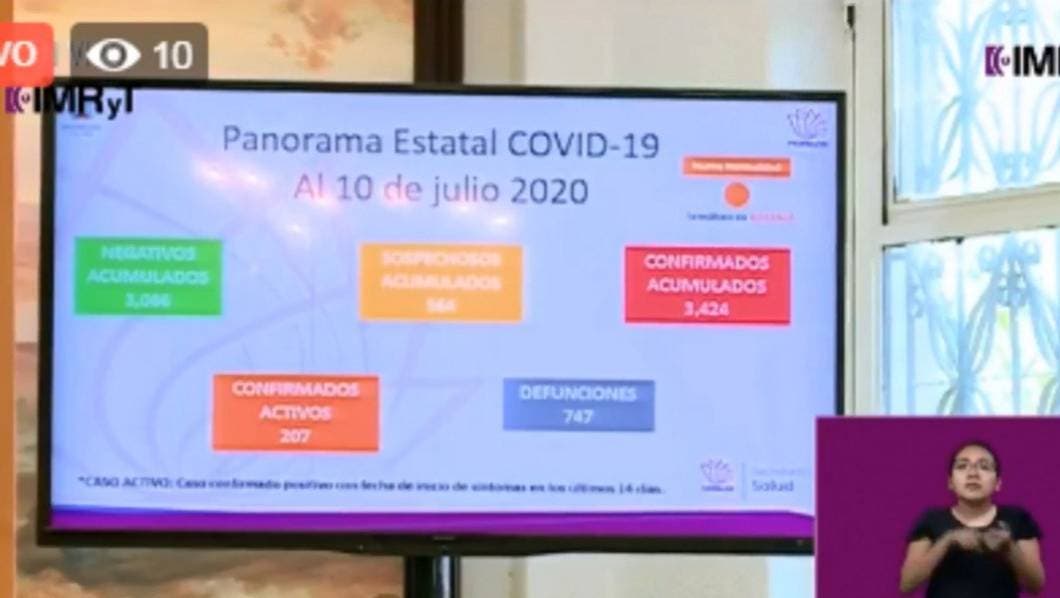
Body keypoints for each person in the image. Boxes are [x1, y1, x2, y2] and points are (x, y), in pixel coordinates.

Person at [899, 440, 1045, 597]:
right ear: (950, 482)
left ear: (998, 483)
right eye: (962, 466)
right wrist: (947, 541)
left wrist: (1009, 547)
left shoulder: (1017, 518)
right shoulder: (931, 519)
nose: (973, 474)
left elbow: (1036, 585)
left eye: (984, 467)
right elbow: (907, 584)